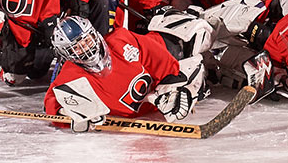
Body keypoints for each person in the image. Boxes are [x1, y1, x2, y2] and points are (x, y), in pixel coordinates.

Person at [45, 16, 207, 130]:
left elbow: (157, 56)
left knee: (197, 32)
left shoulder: (119, 38)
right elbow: (51, 103)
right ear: (66, 53)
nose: (86, 48)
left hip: (168, 51)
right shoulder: (70, 74)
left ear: (94, 34)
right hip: (143, 110)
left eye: (86, 40)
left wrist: (175, 85)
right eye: (76, 47)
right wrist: (69, 113)